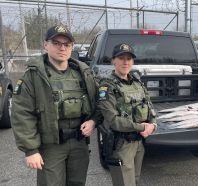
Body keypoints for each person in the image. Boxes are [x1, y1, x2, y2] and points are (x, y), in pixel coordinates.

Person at [11, 25, 101, 186]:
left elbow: (99, 103)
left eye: (67, 44)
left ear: (72, 47)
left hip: (79, 143)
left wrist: (93, 121)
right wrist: (30, 150)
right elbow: (22, 113)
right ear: (46, 44)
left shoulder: (83, 72)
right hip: (51, 145)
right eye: (56, 43)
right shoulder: (34, 75)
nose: (62, 48)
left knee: (77, 183)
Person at [97, 43, 157, 186]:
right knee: (124, 183)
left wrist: (153, 124)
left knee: (135, 181)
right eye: (121, 58)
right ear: (113, 61)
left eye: (129, 58)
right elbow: (113, 120)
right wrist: (142, 127)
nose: (126, 62)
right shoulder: (106, 86)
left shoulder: (138, 83)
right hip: (121, 144)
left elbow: (149, 106)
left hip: (139, 142)